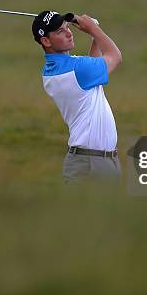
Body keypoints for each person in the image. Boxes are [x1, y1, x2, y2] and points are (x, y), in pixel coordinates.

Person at [32, 10, 123, 183]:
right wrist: (93, 30)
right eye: (60, 31)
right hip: (91, 164)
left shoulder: (54, 69)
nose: (68, 32)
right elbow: (115, 57)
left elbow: (92, 74)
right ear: (45, 41)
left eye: (67, 26)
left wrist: (94, 37)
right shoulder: (77, 69)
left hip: (92, 161)